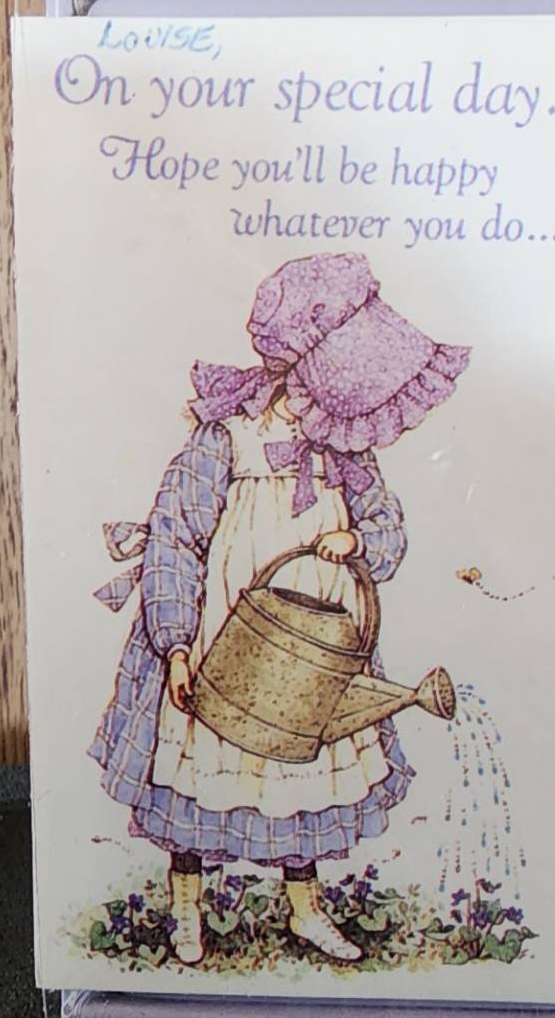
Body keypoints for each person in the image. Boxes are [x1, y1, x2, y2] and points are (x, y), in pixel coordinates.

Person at [87, 252, 468, 965]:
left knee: (302, 765)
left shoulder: (343, 449)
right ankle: (187, 907)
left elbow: (386, 525)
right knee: (200, 766)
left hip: (313, 647)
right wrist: (176, 644)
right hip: (222, 638)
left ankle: (304, 910)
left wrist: (355, 539)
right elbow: (175, 535)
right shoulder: (224, 437)